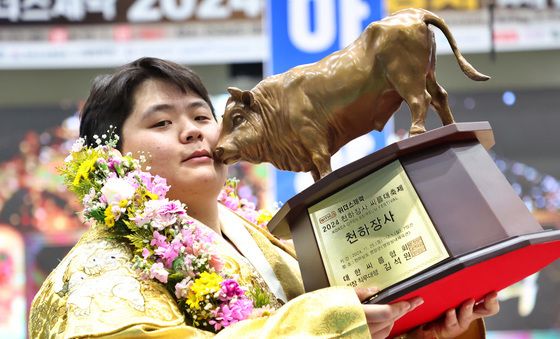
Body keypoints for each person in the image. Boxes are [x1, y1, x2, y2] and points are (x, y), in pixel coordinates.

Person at [29, 57, 499, 338]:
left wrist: (429, 329)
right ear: (112, 158)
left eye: (199, 115)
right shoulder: (98, 270)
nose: (192, 130)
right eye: (161, 123)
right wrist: (323, 323)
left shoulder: (267, 243)